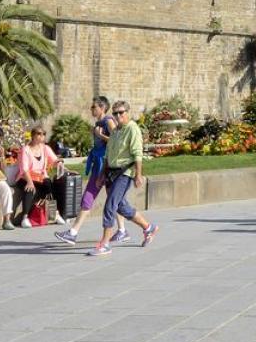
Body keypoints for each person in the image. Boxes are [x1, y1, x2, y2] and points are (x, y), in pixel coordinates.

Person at [88, 100, 158, 257]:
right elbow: (108, 154)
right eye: (115, 113)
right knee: (121, 206)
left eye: (121, 112)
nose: (118, 115)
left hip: (124, 173)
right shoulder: (115, 131)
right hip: (111, 173)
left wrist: (138, 175)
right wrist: (102, 175)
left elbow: (137, 153)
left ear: (128, 112)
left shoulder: (132, 129)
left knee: (110, 205)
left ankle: (104, 244)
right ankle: (148, 227)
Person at [54, 96, 127, 245]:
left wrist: (100, 135)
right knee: (115, 199)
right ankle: (122, 231)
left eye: (94, 107)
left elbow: (116, 140)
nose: (91, 109)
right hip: (101, 164)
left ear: (102, 107)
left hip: (104, 165)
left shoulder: (108, 121)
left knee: (90, 196)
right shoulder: (101, 122)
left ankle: (73, 233)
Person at [16, 125, 65, 228]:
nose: (42, 136)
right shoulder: (25, 149)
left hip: (40, 178)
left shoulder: (45, 148)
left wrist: (59, 163)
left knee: (49, 185)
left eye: (43, 134)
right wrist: (29, 182)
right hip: (26, 177)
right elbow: (23, 169)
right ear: (33, 136)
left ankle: (54, 214)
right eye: (39, 134)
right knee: (30, 189)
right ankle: (25, 218)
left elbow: (54, 160)